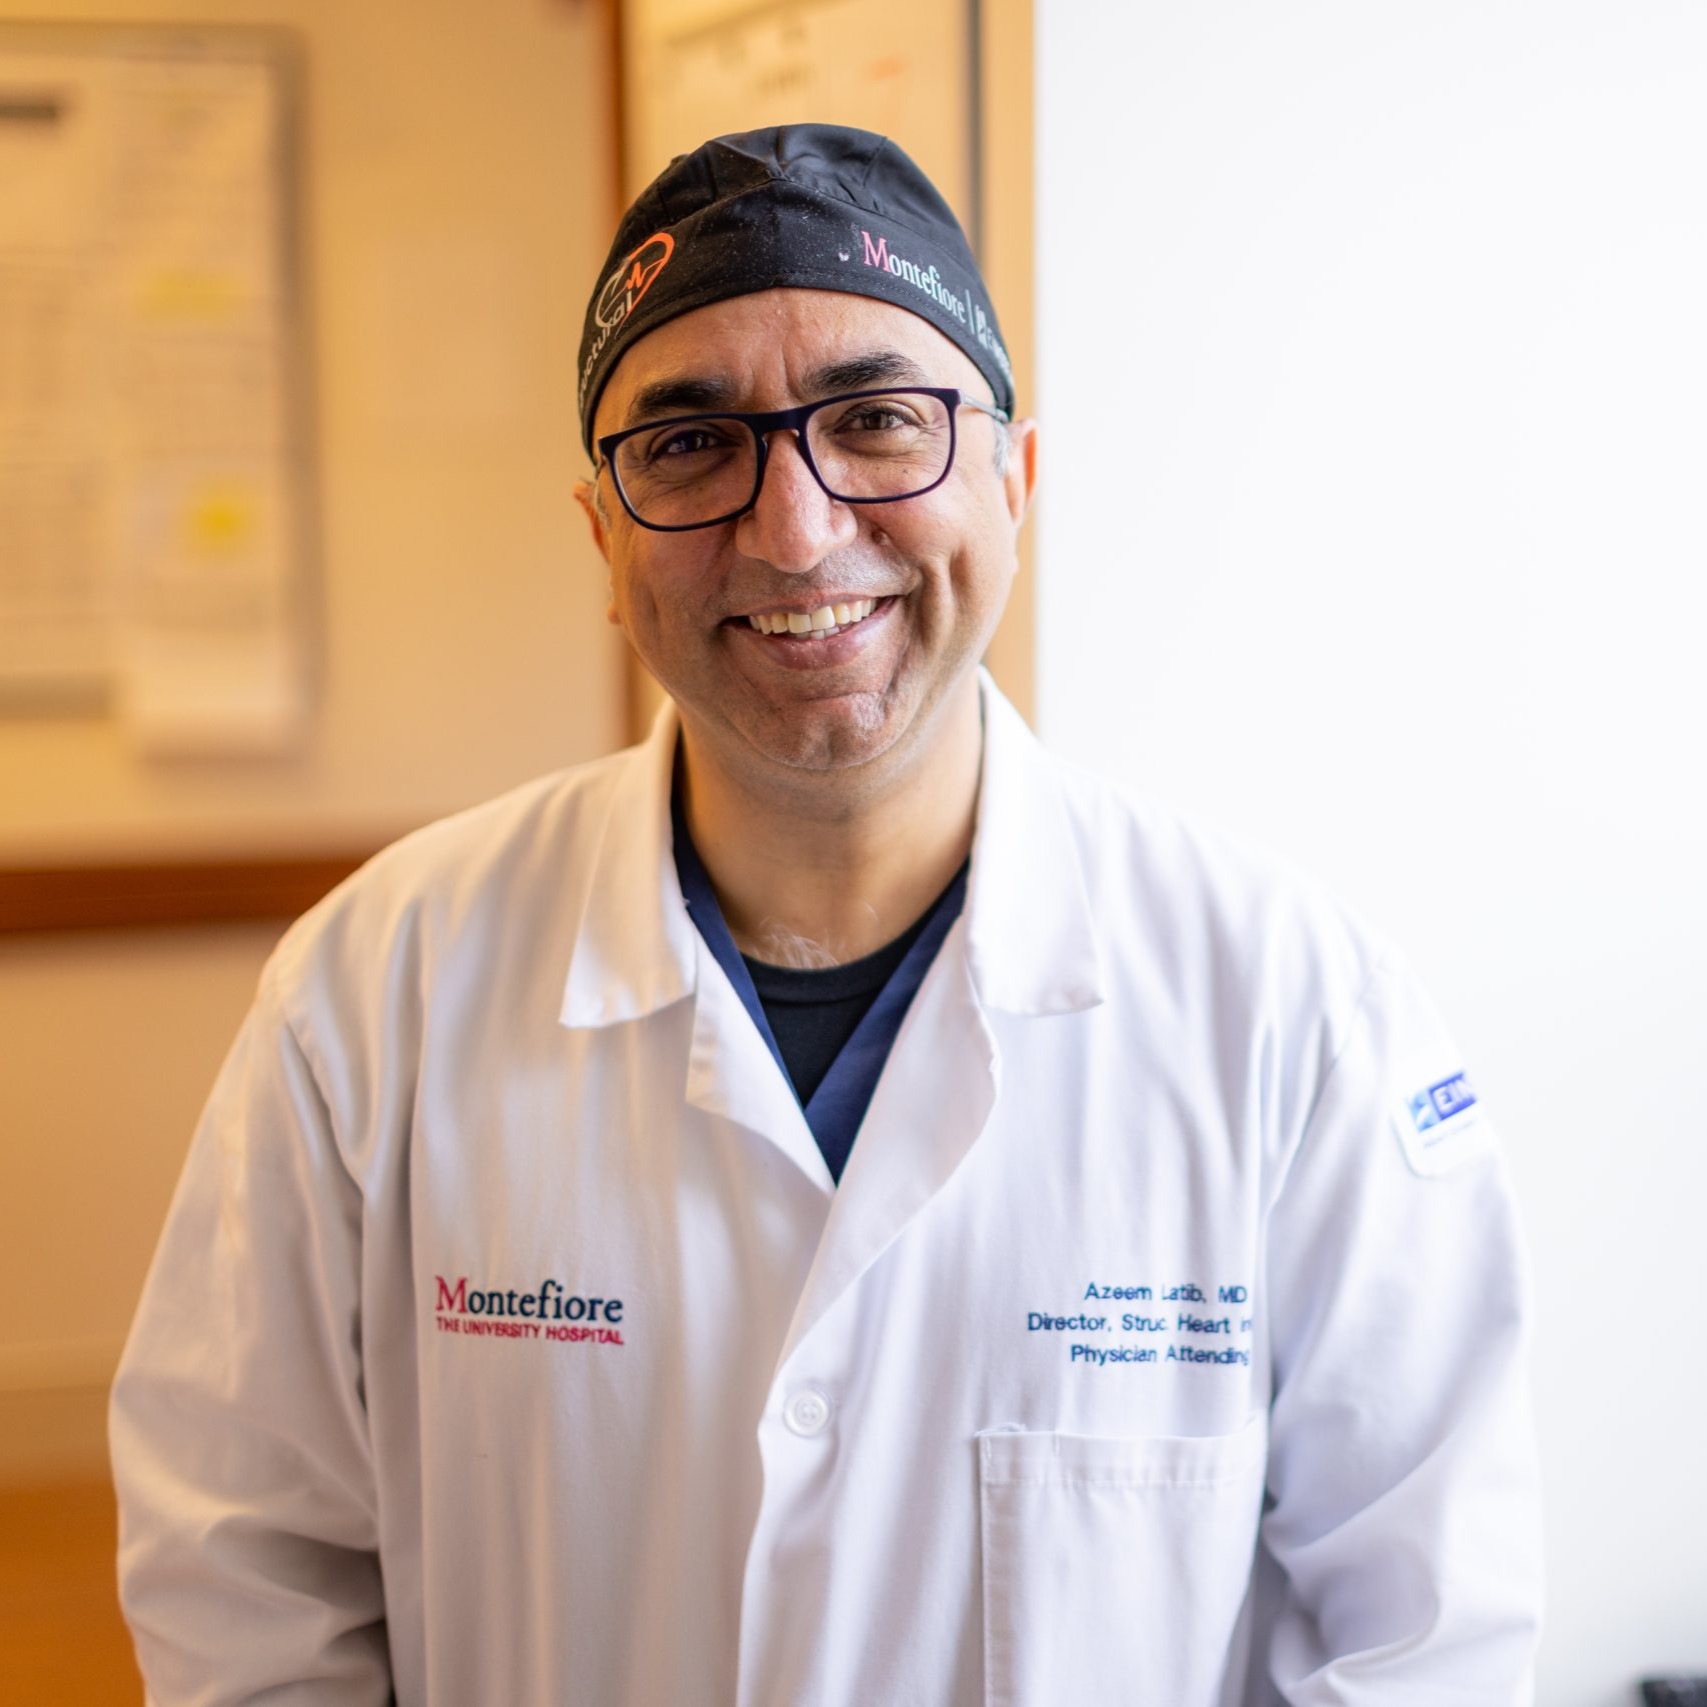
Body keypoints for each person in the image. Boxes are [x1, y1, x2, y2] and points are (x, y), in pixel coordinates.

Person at [111, 124, 1544, 1705]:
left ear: (1015, 480)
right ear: (603, 538)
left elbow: (1425, 1638)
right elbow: (242, 1584)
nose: (795, 532)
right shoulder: (373, 994)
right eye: (689, 445)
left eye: (875, 422)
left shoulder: (1292, 1011)